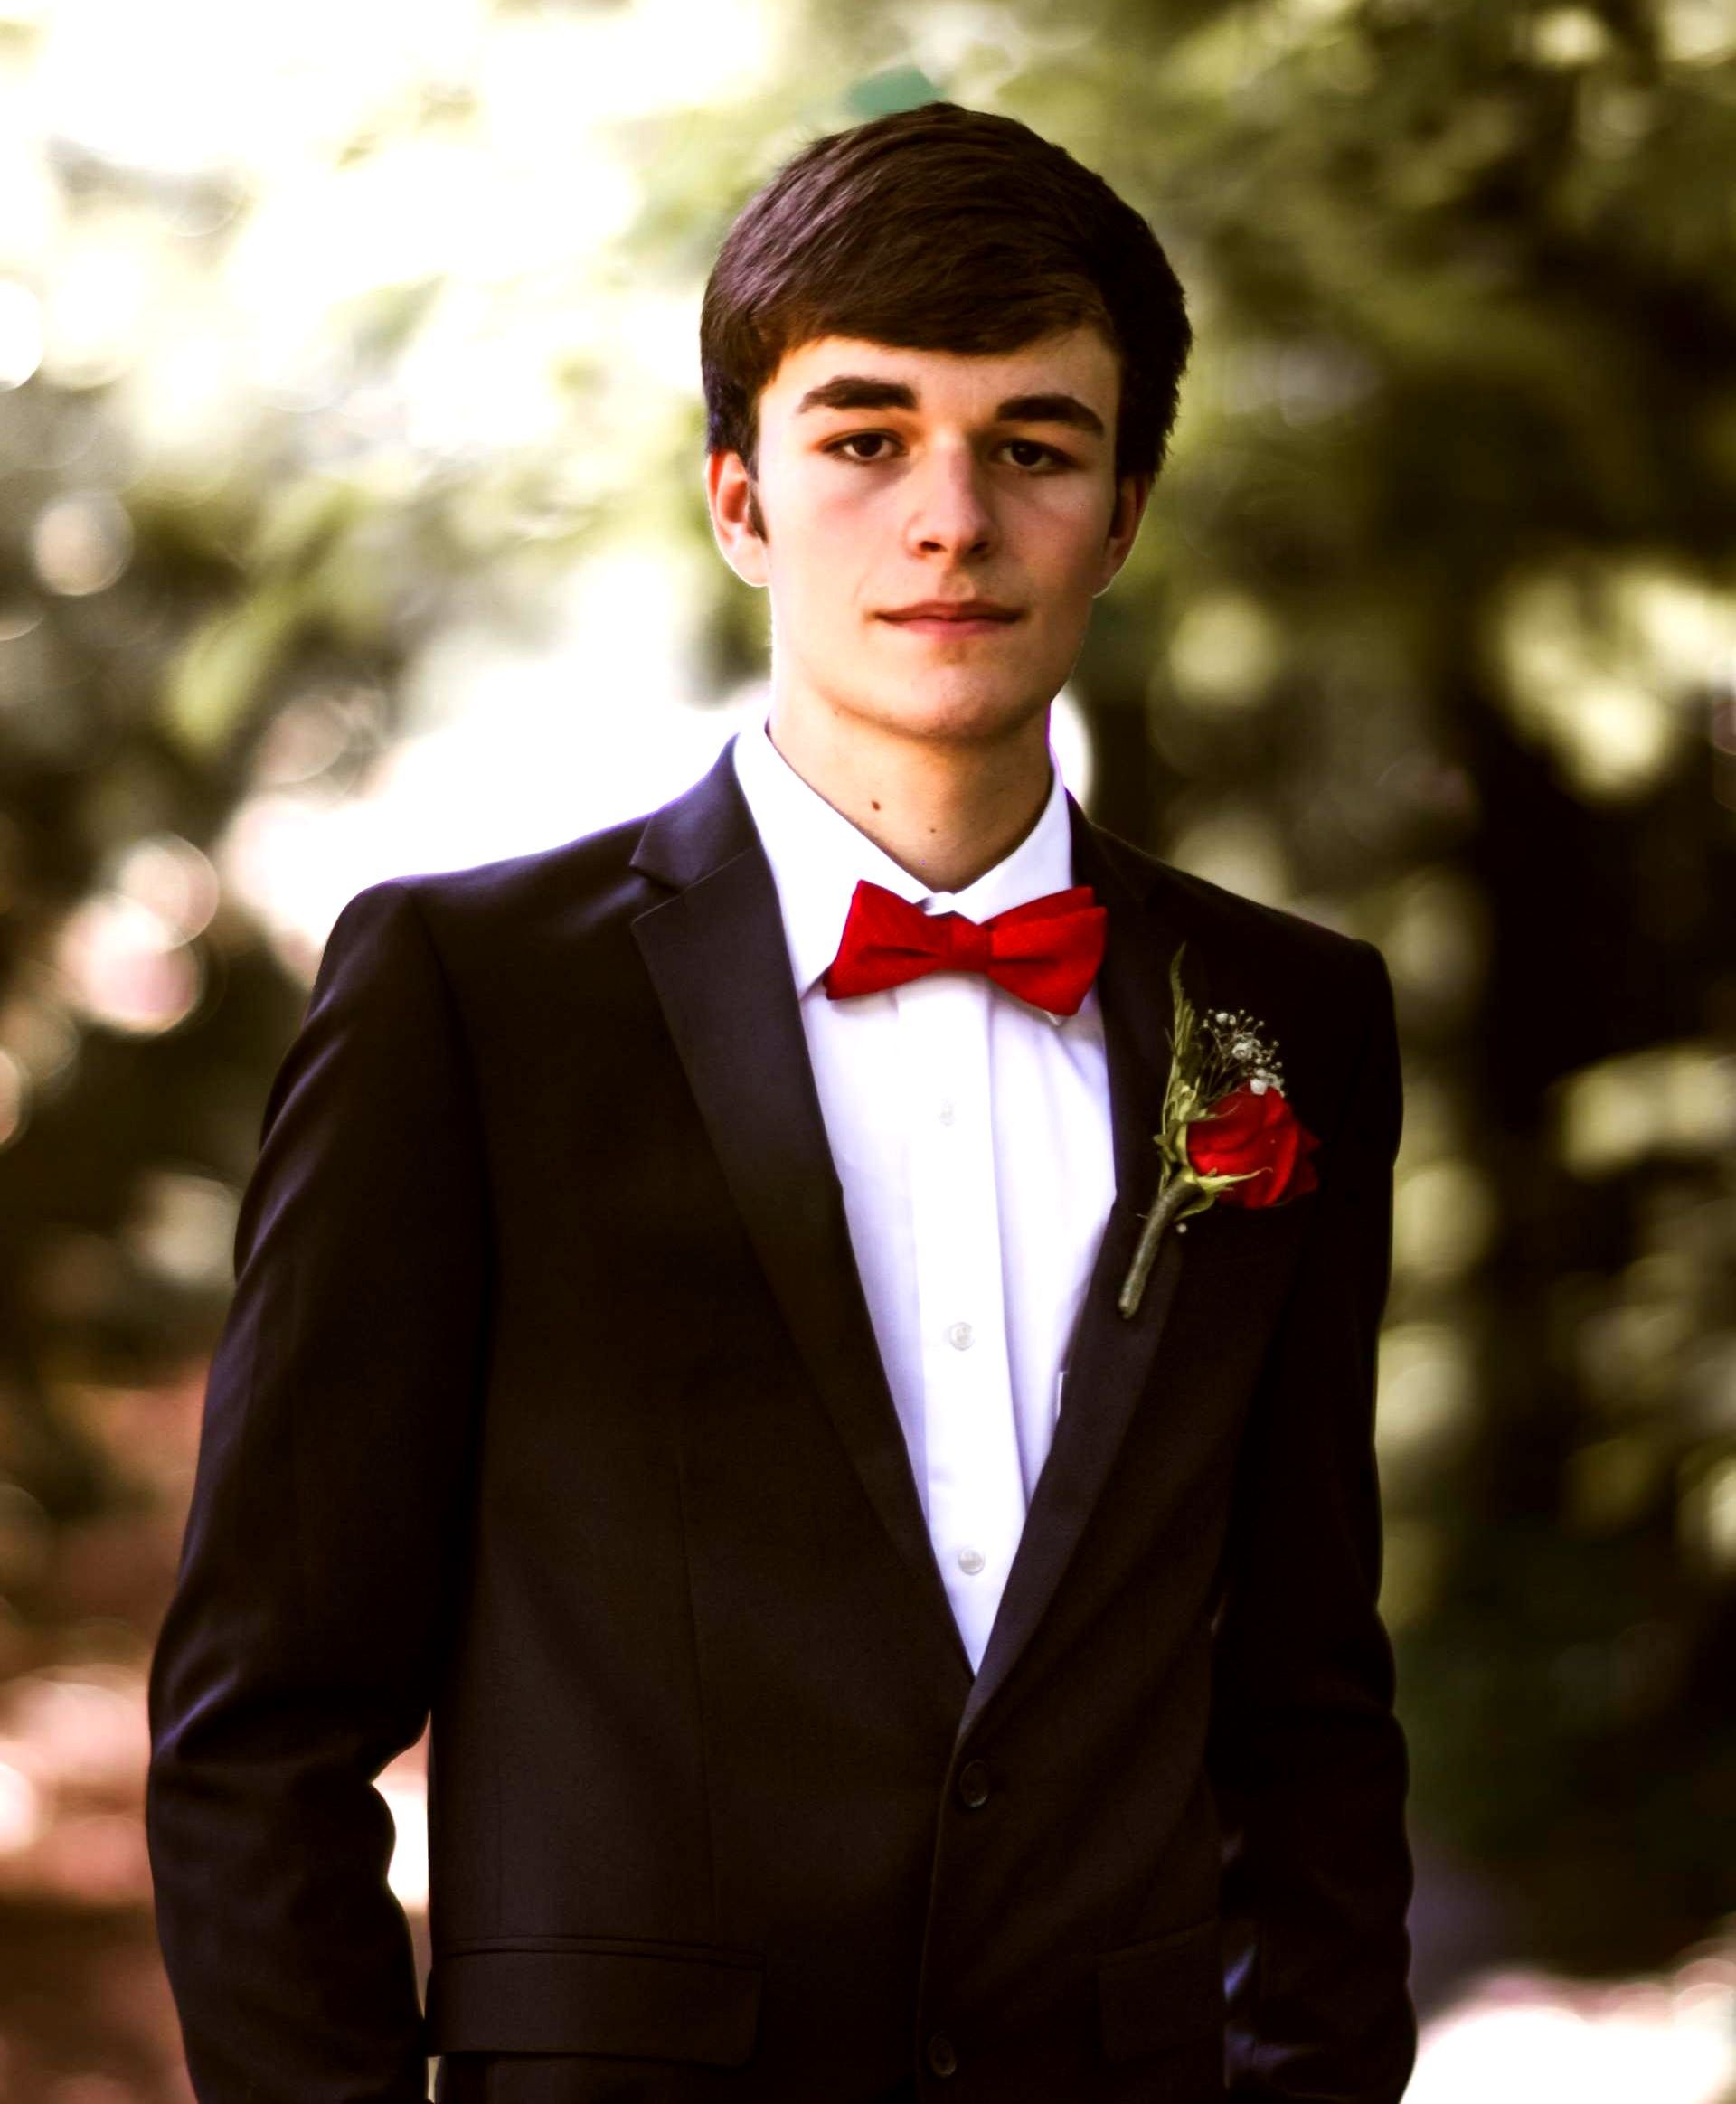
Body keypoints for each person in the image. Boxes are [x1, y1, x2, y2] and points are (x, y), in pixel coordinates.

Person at [146, 99, 1417, 2104]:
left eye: (1034, 444)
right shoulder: (465, 1002)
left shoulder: (1287, 1019)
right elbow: (259, 1734)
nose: (949, 519)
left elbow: (1308, 1697)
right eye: (864, 436)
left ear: (1126, 504)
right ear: (738, 498)